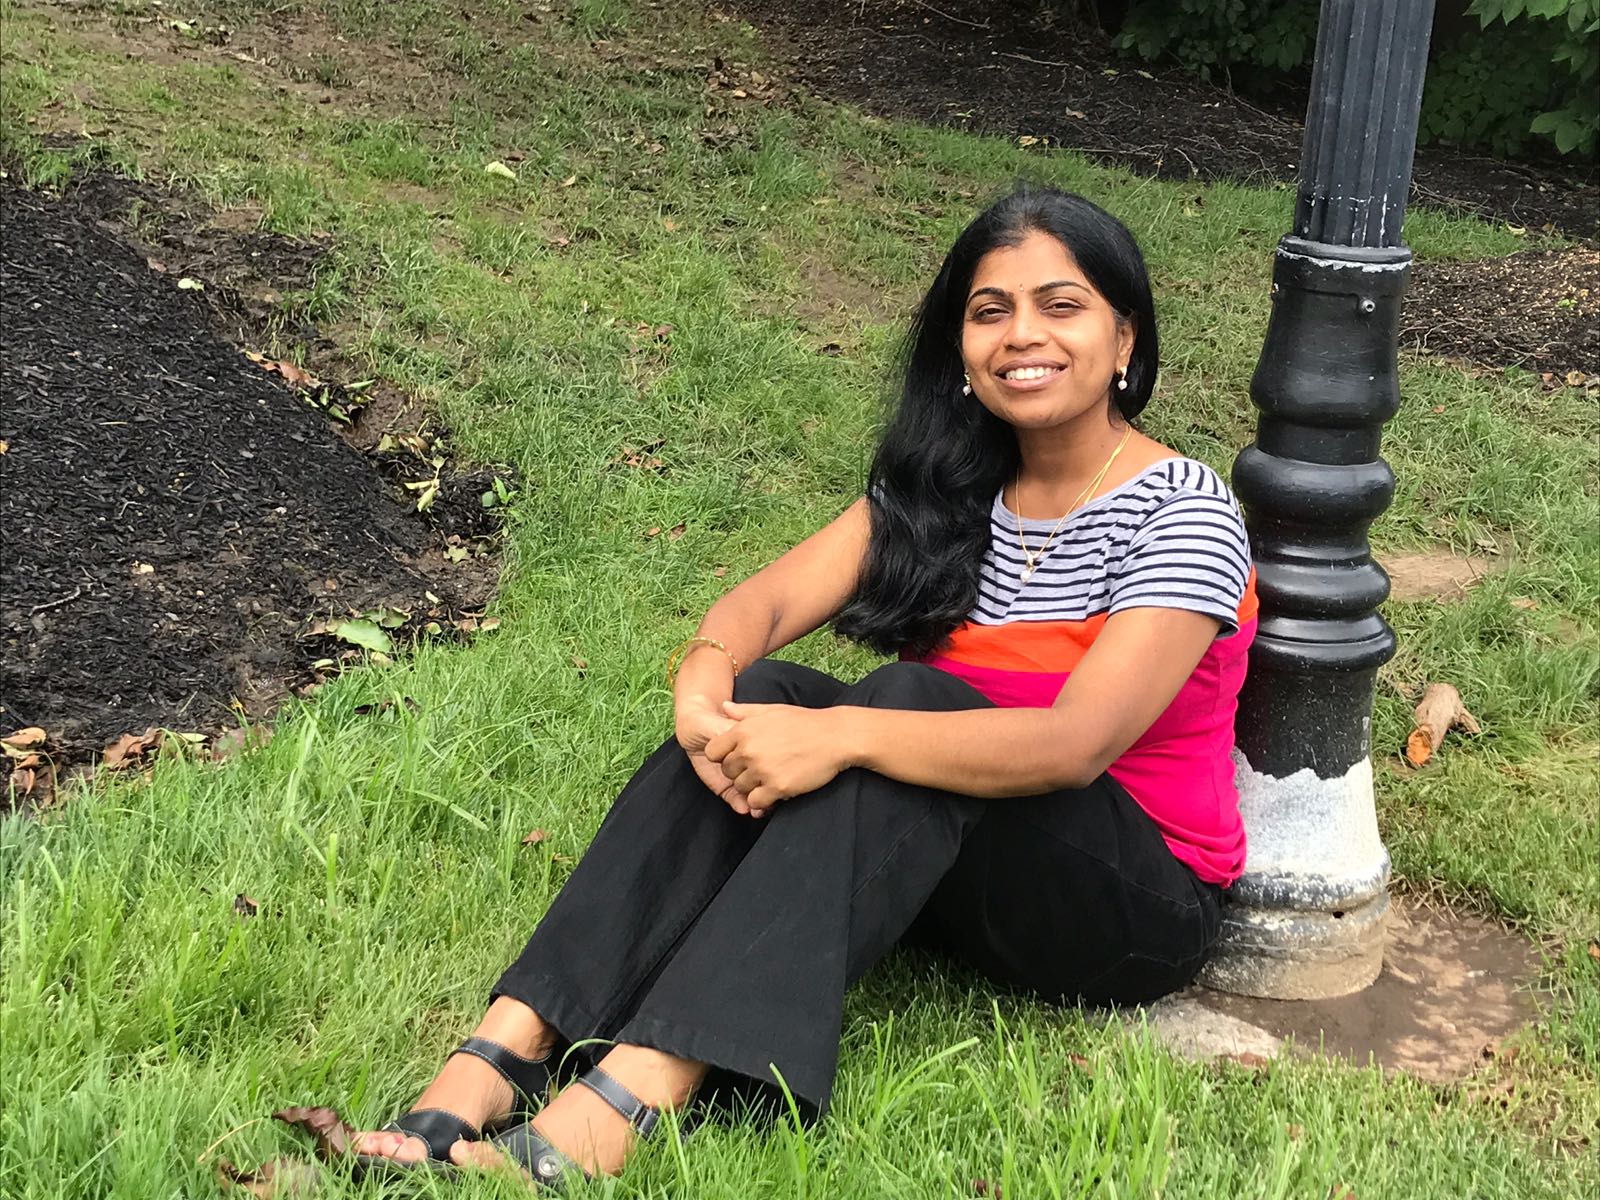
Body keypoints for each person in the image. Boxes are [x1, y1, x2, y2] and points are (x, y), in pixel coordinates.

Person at [350, 186, 1256, 1191]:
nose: (1020, 336)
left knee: (891, 712)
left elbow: (1073, 744)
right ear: (957, 347)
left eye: (1061, 306)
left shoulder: (1184, 512)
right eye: (989, 311)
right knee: (777, 686)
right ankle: (500, 1050)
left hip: (1129, 904)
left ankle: (625, 1099)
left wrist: (842, 738)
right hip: (964, 865)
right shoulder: (951, 489)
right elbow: (765, 607)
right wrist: (706, 677)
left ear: (1124, 338)